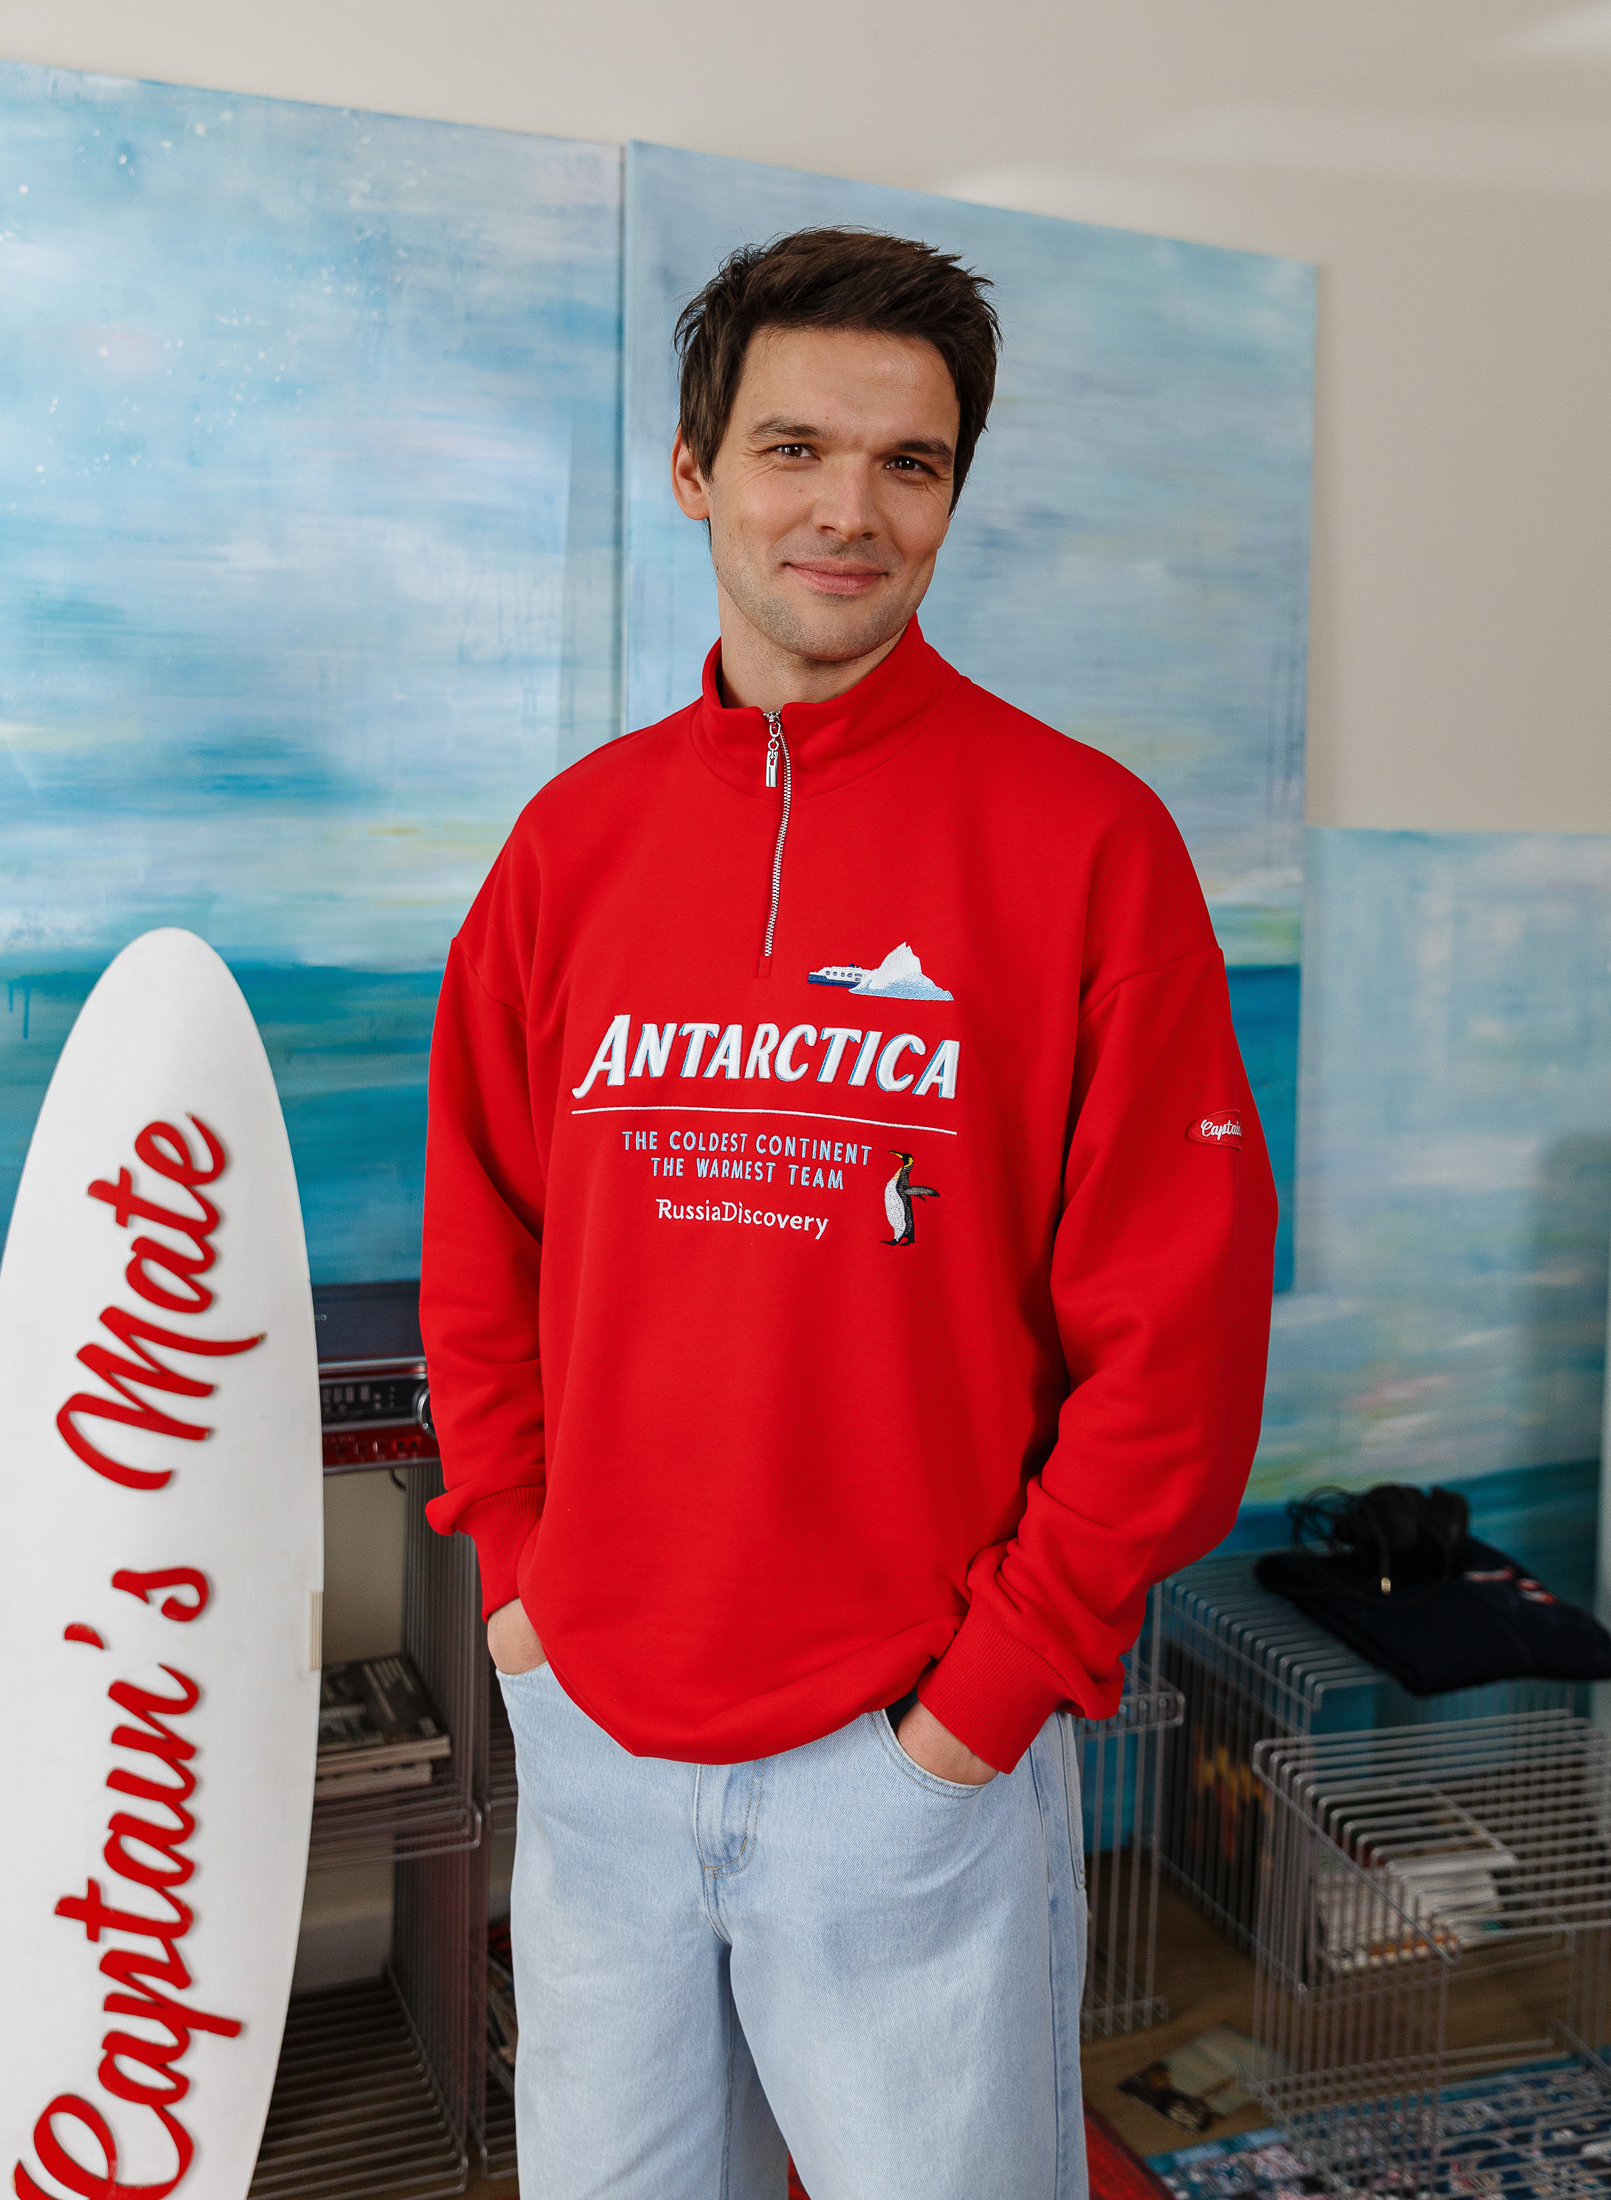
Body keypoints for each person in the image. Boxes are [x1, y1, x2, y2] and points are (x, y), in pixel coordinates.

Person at [421, 226, 1278, 2200]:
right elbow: (485, 1244)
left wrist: (977, 1709)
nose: (850, 510)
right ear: (694, 468)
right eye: (795, 447)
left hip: (905, 1761)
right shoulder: (572, 844)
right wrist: (524, 1586)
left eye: (910, 463)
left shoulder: (1089, 845)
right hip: (597, 1738)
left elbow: (1177, 1339)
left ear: (954, 493)